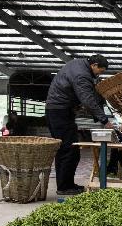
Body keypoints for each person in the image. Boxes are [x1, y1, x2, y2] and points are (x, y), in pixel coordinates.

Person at [46, 55, 112, 195]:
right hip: (60, 112)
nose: (99, 74)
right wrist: (104, 120)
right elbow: (87, 99)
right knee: (70, 150)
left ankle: (66, 184)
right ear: (94, 65)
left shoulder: (78, 64)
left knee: (65, 149)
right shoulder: (82, 75)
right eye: (100, 71)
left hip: (57, 110)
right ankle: (64, 187)